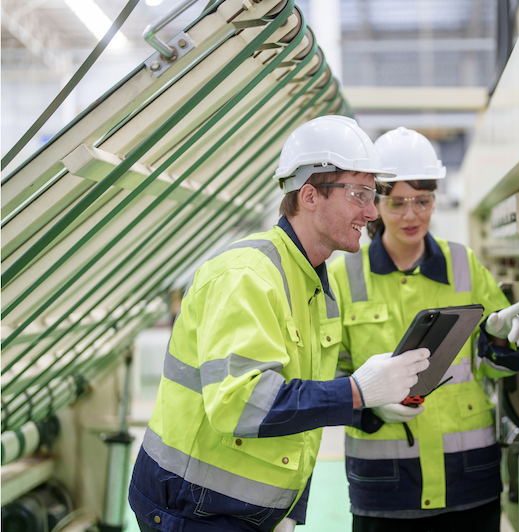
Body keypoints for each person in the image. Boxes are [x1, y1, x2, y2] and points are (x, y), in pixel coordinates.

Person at [127, 116, 431, 532]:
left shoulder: (314, 284)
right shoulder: (247, 276)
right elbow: (241, 403)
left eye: (372, 195)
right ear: (309, 195)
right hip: (194, 509)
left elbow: (300, 398)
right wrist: (357, 392)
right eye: (360, 194)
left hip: (246, 514)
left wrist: (371, 405)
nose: (372, 211)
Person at [328, 127, 519, 532]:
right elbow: (325, 374)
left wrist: (501, 343)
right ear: (375, 203)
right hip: (387, 491)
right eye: (398, 202)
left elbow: (492, 369)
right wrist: (369, 404)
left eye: (422, 201)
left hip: (469, 483)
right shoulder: (342, 275)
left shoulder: (463, 264)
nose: (411, 215)